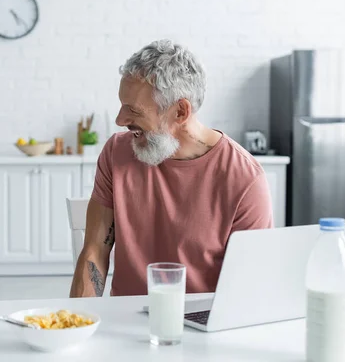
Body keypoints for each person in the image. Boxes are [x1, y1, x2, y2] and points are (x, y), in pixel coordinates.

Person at [69, 39, 273, 298]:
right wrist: (77, 328)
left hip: (200, 325)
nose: (120, 120)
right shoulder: (117, 153)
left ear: (180, 111)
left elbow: (249, 288)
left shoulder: (244, 179)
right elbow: (95, 251)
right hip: (121, 320)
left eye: (133, 110)